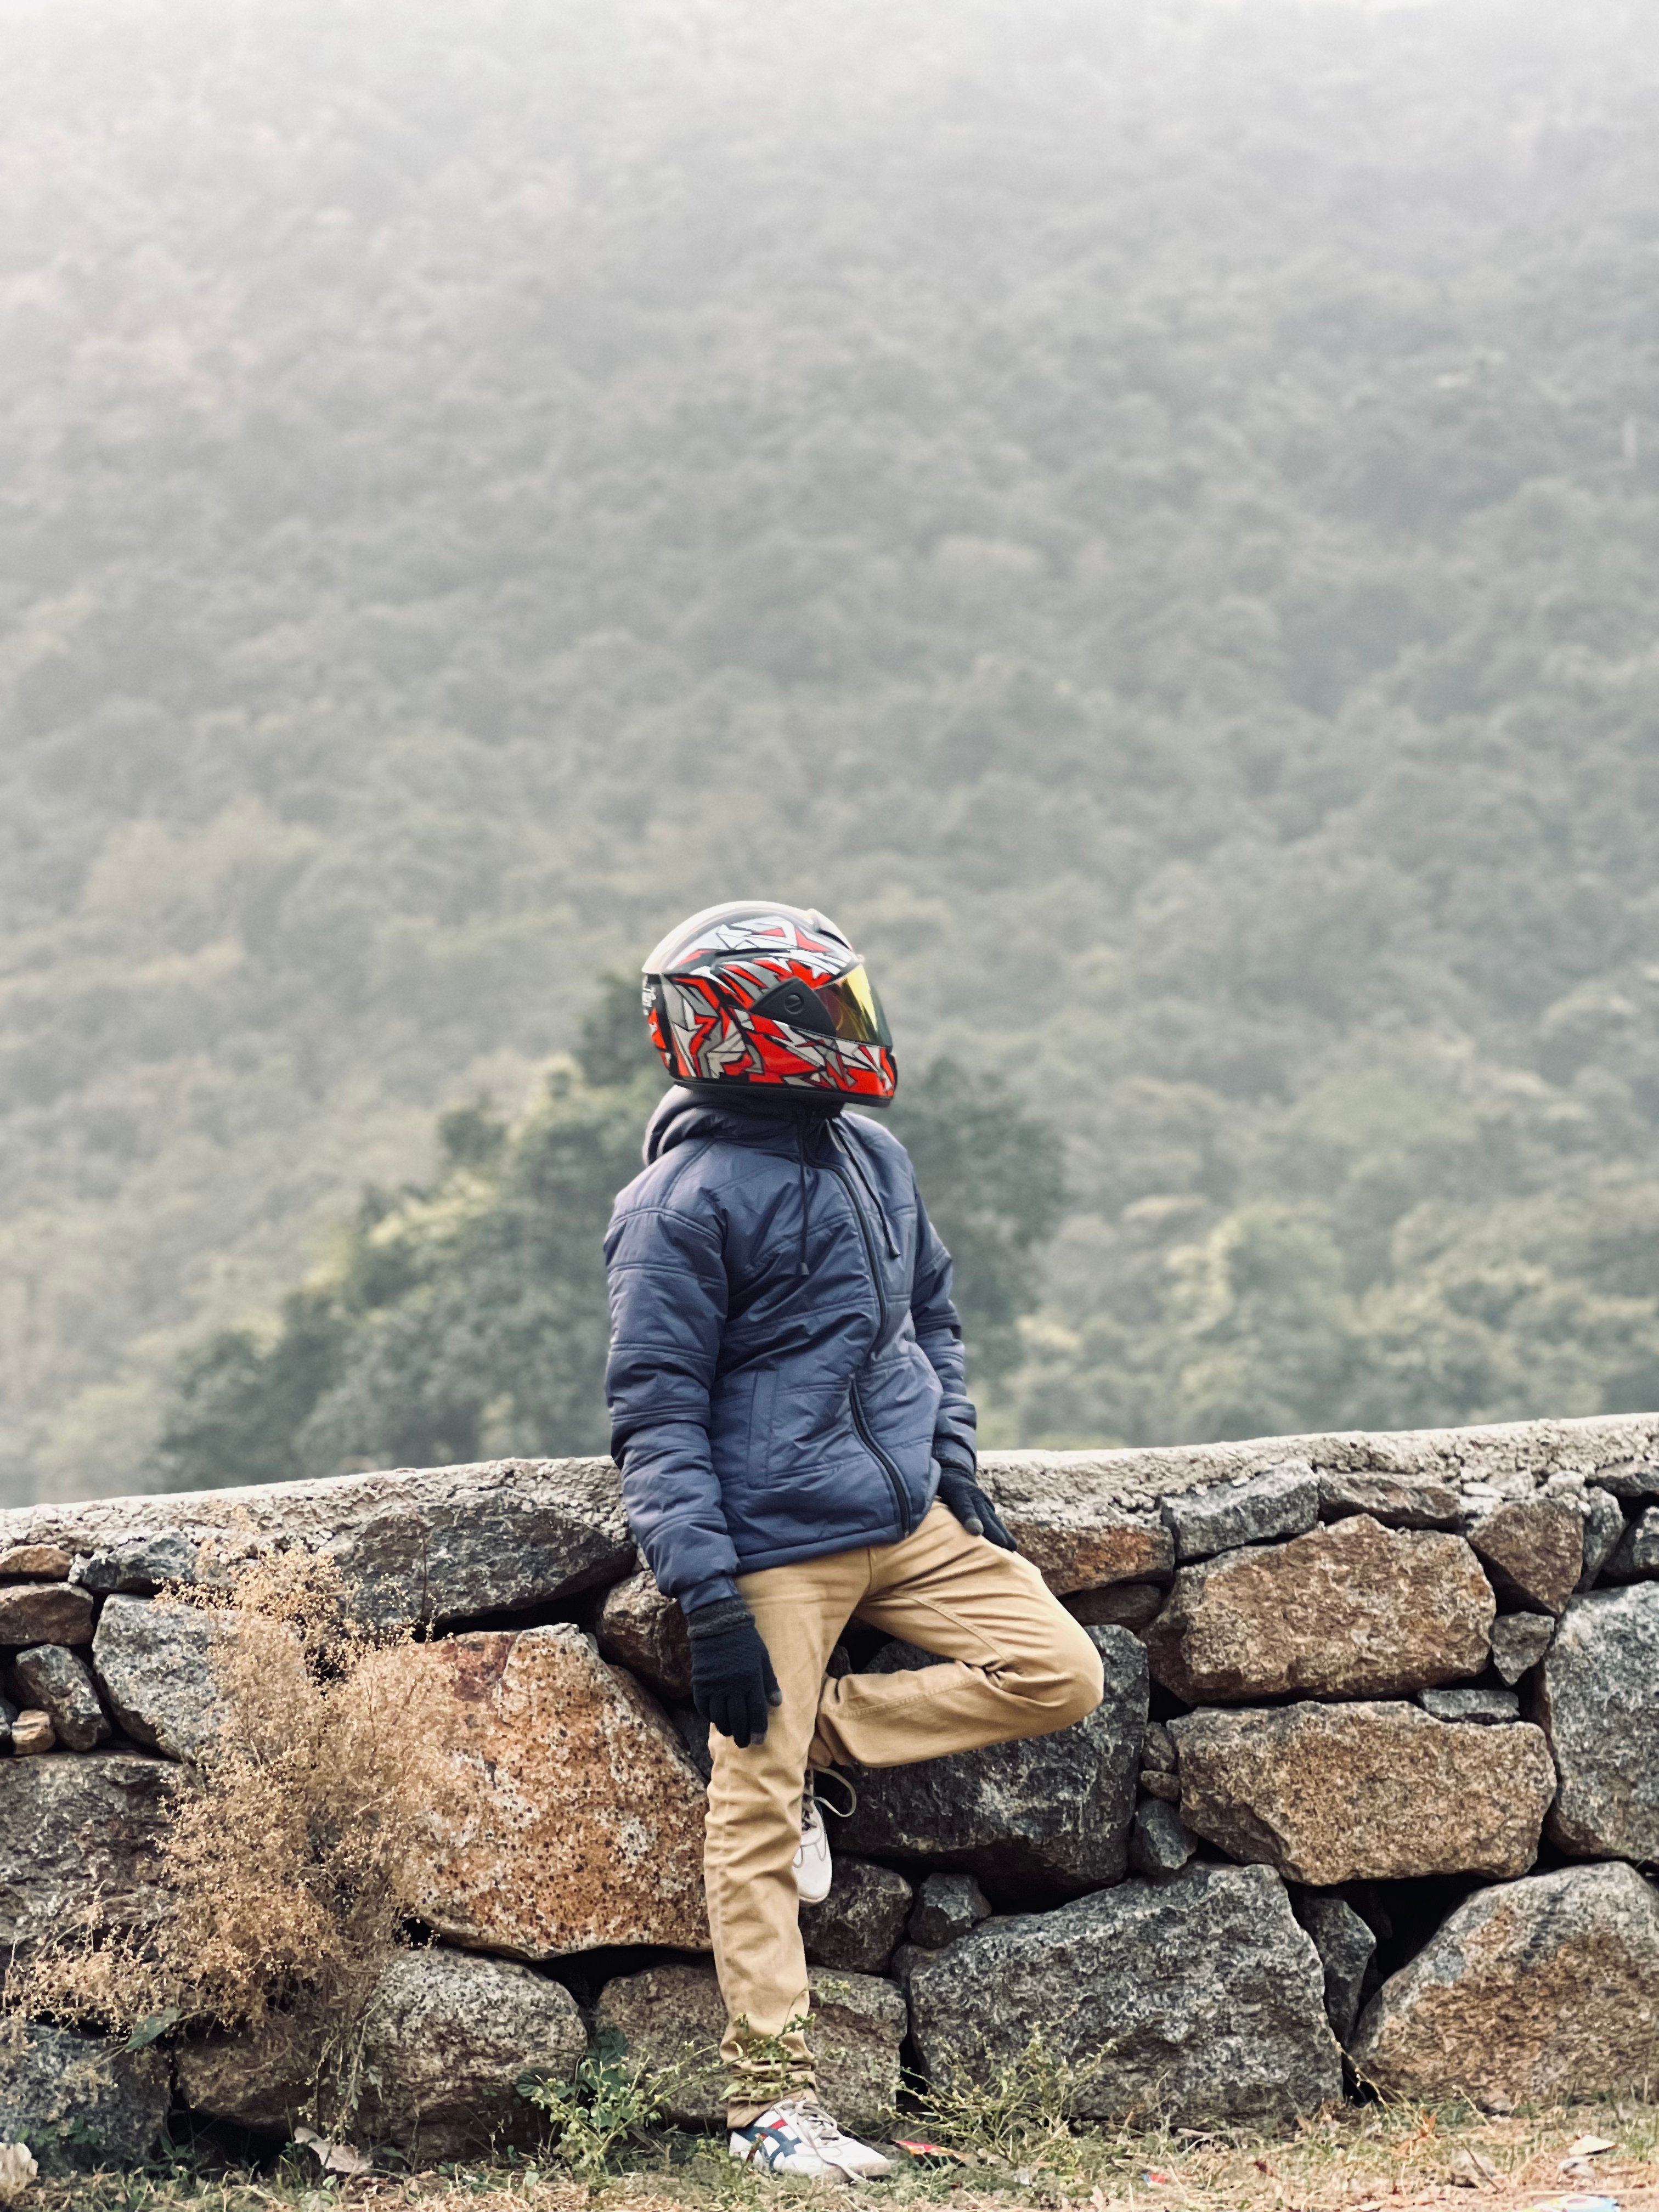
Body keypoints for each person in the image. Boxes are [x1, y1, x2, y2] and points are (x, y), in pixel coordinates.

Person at [603, 900, 1104, 2182]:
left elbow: (930, 1318)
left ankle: (812, 1741)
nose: (854, 1026)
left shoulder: (872, 1155)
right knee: (751, 1814)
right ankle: (770, 2110)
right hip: (775, 1545)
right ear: (748, 1030)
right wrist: (709, 1596)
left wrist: (955, 1462)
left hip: (905, 1519)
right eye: (826, 1009)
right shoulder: (677, 1206)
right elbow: (655, 1412)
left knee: (1063, 1673)